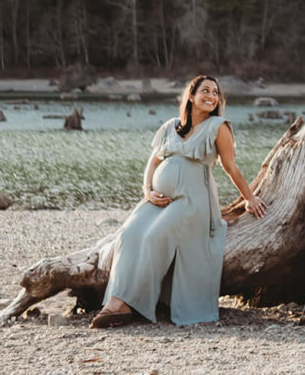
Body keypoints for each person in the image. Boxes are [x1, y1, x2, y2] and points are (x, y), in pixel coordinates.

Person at [89, 74, 268, 328]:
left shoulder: (219, 127)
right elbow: (153, 162)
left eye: (216, 92)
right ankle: (116, 300)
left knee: (154, 237)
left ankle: (127, 303)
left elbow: (230, 168)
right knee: (128, 235)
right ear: (191, 96)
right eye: (205, 90)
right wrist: (147, 190)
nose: (211, 96)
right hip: (157, 201)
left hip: (192, 201)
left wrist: (249, 198)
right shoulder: (171, 126)